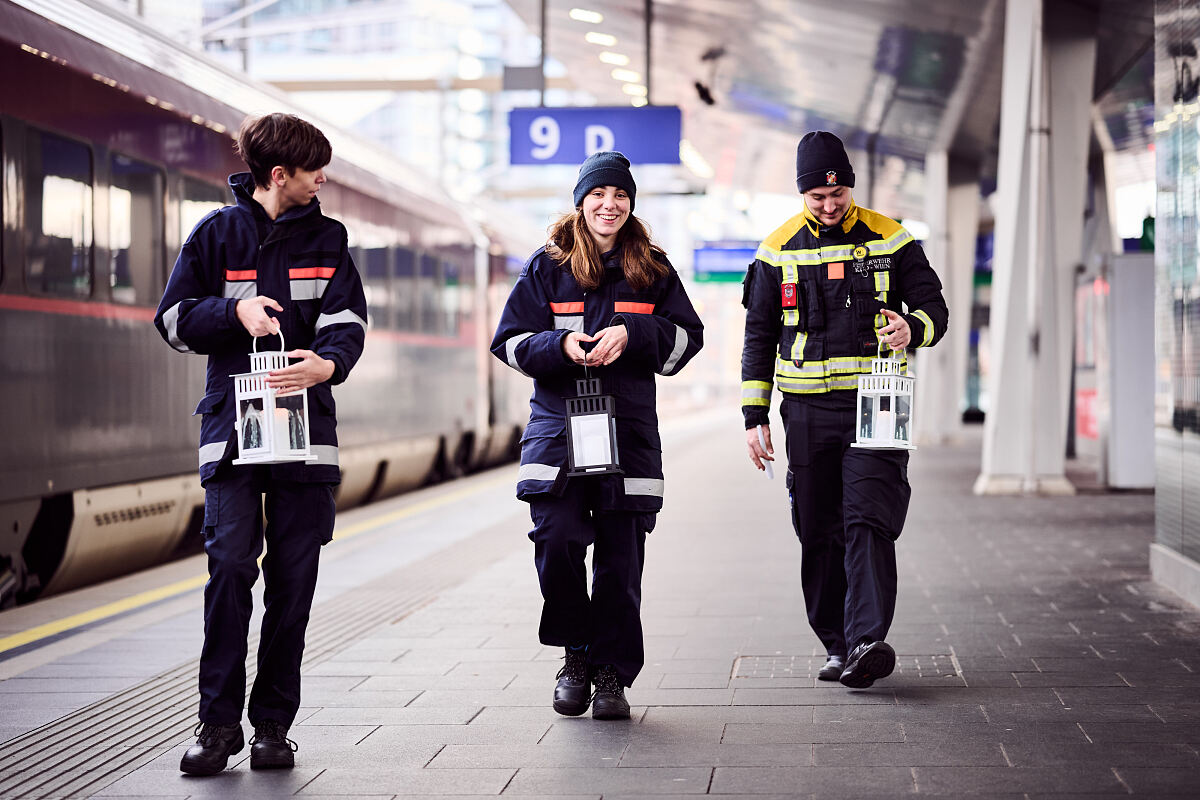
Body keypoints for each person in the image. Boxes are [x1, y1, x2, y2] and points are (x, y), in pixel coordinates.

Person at [154, 113, 367, 774]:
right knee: (231, 572)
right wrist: (233, 312)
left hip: (305, 434)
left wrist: (326, 364)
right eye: (313, 171)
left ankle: (273, 725)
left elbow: (348, 321)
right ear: (281, 175)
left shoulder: (329, 238)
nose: (321, 180)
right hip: (234, 434)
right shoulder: (216, 235)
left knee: (294, 580)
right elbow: (171, 320)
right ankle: (217, 727)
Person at [490, 151, 703, 719]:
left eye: (621, 196)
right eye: (599, 195)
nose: (610, 205)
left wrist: (633, 334)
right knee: (557, 541)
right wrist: (559, 347)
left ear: (630, 204)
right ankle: (576, 653)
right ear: (581, 201)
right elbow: (508, 342)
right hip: (558, 434)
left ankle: (611, 673)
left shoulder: (653, 270)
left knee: (620, 559)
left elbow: (687, 341)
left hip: (627, 434)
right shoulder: (547, 267)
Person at [740, 131, 948, 689]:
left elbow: (935, 308)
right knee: (818, 526)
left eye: (839, 194)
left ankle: (865, 641)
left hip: (879, 400)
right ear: (802, 194)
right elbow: (758, 336)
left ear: (850, 185)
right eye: (817, 198)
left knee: (869, 518)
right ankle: (836, 642)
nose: (830, 206)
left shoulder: (892, 237)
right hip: (805, 409)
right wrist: (754, 416)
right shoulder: (775, 250)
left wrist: (914, 328)